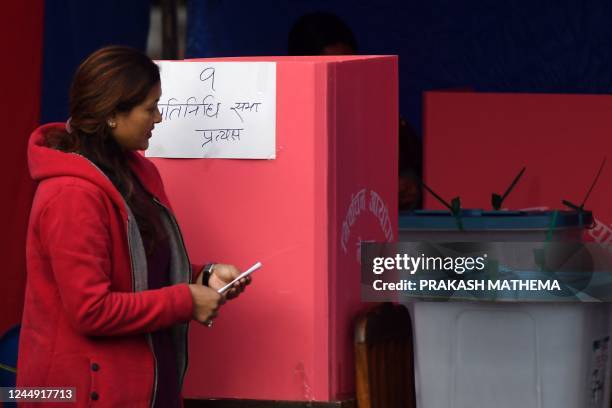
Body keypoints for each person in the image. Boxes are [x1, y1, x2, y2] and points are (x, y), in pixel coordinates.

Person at [17, 45, 250, 407]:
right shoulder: (71, 195)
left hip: (146, 390)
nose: (158, 118)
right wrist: (185, 300)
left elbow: (139, 272)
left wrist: (203, 278)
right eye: (150, 107)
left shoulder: (136, 175)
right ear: (112, 114)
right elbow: (91, 310)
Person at [288, 12, 423, 211]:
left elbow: (415, 179)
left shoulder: (386, 123)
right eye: (329, 70)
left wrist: (409, 188)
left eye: (348, 68)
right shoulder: (280, 127)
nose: (341, 80)